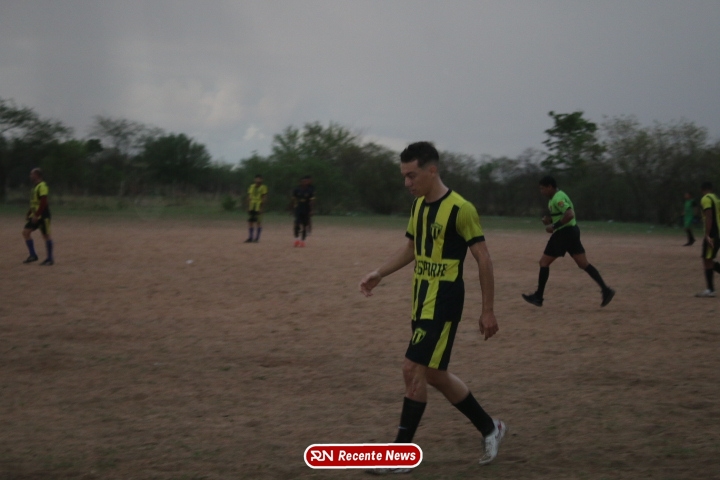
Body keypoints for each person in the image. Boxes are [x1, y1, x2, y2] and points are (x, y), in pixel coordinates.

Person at [359, 142, 506, 474]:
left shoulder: (461, 209)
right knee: (435, 374)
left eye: (412, 175)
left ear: (432, 170)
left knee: (411, 368)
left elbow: (483, 258)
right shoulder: (418, 207)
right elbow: (411, 248)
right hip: (421, 300)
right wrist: (380, 273)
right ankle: (490, 427)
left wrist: (488, 310)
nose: (407, 183)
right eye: (404, 176)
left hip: (444, 302)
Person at [522, 176, 614, 308]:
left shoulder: (558, 198)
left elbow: (570, 214)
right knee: (583, 264)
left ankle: (538, 297)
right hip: (572, 232)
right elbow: (562, 215)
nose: (541, 191)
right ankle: (606, 290)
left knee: (544, 262)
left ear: (550, 187)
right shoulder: (555, 198)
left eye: (542, 188)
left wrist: (554, 226)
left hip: (564, 233)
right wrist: (550, 220)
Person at [22, 168, 54, 266]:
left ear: (37, 175)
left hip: (43, 215)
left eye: (32, 174)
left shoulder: (42, 186)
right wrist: (29, 213)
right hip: (35, 215)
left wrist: (37, 215)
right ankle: (33, 255)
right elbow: (35, 203)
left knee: (46, 236)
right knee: (26, 232)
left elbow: (43, 203)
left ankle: (50, 259)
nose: (30, 176)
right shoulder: (35, 187)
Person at [695, 182, 720, 297]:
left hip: (713, 234)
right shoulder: (716, 198)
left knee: (707, 260)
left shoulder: (706, 199)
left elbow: (709, 216)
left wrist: (707, 234)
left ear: (702, 189)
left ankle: (710, 290)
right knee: (708, 260)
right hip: (718, 233)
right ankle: (710, 290)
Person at [291, 175, 315, 247]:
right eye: (303, 182)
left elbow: (312, 202)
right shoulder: (296, 190)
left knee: (304, 225)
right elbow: (293, 200)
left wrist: (311, 210)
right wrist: (292, 208)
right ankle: (296, 239)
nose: (304, 183)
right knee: (297, 224)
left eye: (305, 182)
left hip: (306, 209)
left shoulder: (310, 190)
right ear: (300, 182)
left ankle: (302, 240)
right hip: (298, 208)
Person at [245, 174, 267, 243]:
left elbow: (264, 197)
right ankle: (250, 237)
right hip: (252, 205)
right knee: (250, 221)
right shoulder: (252, 186)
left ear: (262, 180)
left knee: (258, 222)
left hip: (258, 205)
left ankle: (257, 238)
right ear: (254, 179)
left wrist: (262, 208)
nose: (258, 180)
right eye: (257, 179)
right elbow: (249, 196)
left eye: (259, 179)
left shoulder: (263, 187)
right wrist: (248, 206)